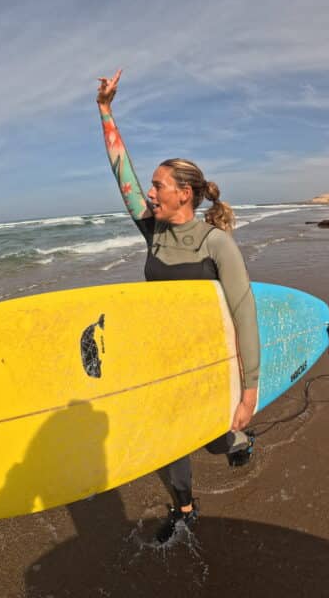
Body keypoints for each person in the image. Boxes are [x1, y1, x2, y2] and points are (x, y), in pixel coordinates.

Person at [96, 69, 260, 543]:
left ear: (183, 195)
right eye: (151, 186)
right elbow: (122, 177)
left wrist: (249, 391)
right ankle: (185, 507)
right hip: (164, 361)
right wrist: (105, 111)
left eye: (158, 186)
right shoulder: (154, 231)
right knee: (169, 442)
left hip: (210, 361)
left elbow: (243, 311)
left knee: (215, 439)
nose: (149, 192)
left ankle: (238, 438)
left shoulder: (216, 244)